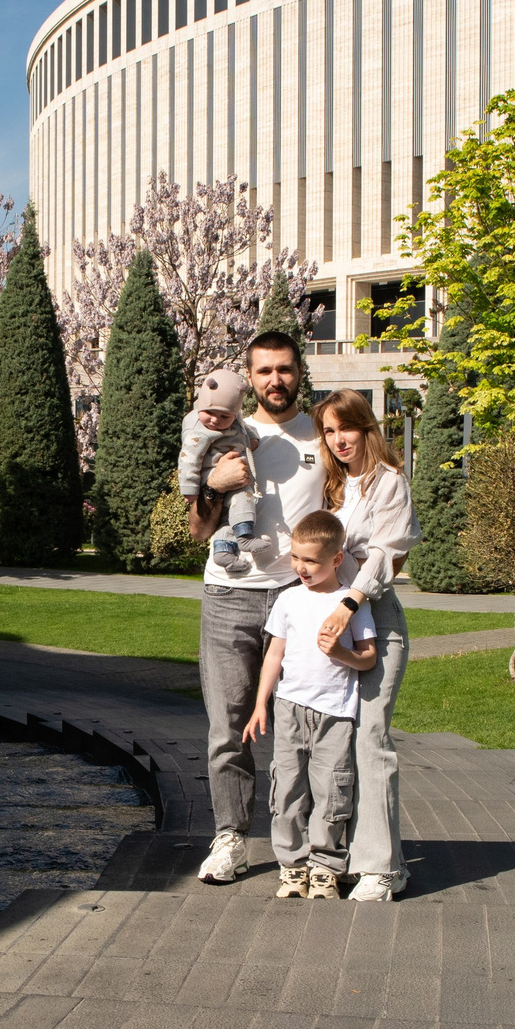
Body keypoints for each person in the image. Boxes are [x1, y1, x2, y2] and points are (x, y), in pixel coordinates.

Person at [190, 331, 325, 884]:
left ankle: (318, 843)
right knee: (228, 727)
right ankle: (231, 839)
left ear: (299, 373)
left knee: (314, 725)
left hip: (302, 597)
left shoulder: (323, 432)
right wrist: (215, 485)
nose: (276, 380)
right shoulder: (219, 429)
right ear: (249, 377)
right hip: (229, 595)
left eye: (285, 369)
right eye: (265, 371)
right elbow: (200, 530)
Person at [313, 390, 419, 900]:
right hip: (335, 623)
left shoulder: (389, 483)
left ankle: (380, 868)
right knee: (335, 743)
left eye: (346, 429)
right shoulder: (333, 486)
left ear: (366, 427)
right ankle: (344, 856)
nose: (338, 441)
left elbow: (385, 556)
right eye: (329, 432)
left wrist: (348, 605)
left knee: (371, 740)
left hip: (375, 619)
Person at [243, 512, 378, 899]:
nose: (302, 567)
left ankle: (325, 867)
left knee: (331, 792)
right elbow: (274, 655)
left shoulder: (350, 604)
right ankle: (292, 865)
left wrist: (341, 653)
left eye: (312, 561)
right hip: (289, 709)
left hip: (335, 714)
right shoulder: (288, 600)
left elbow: (367, 657)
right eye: (297, 559)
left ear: (336, 560)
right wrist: (260, 704)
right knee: (287, 790)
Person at [176, 370, 263, 567]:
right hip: (211, 472)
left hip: (230, 469)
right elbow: (188, 459)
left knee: (226, 519)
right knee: (244, 493)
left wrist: (252, 438)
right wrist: (189, 488)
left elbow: (240, 426)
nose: (215, 420)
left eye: (224, 416)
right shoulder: (199, 431)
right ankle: (245, 534)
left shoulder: (234, 419)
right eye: (209, 413)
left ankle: (223, 550)